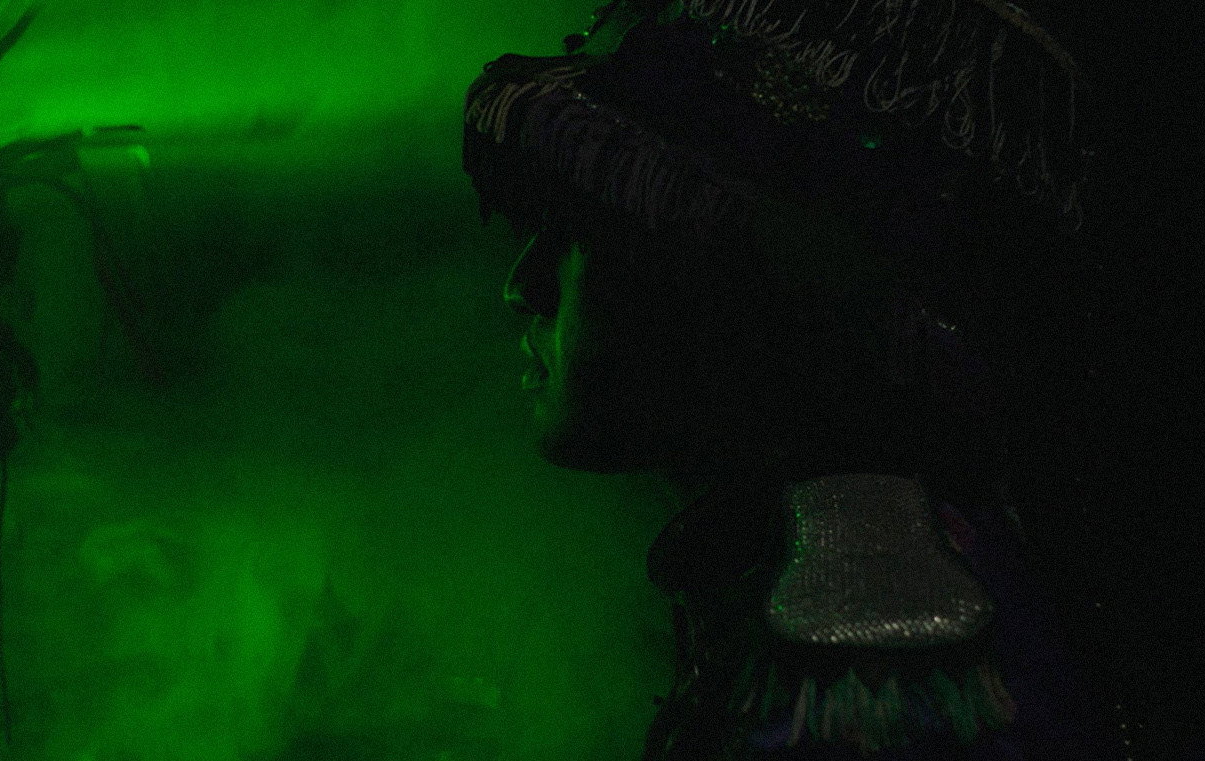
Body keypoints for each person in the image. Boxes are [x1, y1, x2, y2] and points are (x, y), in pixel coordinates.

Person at [464, 0, 1115, 757]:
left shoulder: (869, 667)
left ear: (728, 286)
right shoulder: (825, 577)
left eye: (587, 231)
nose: (521, 287)